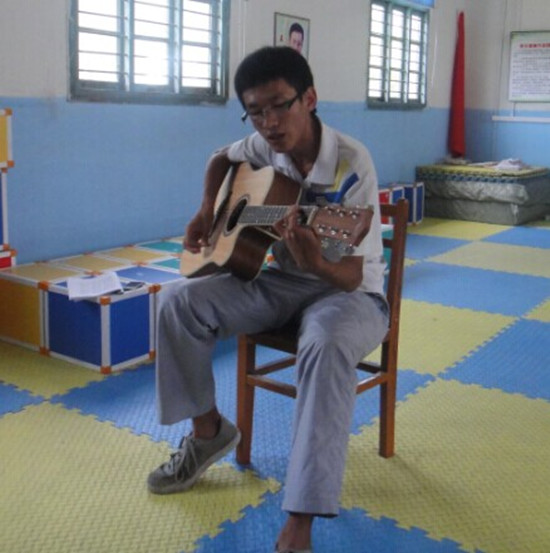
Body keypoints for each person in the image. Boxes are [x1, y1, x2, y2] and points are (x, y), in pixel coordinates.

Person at [148, 46, 389, 553]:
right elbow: (221, 157)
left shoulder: (352, 162)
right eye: (255, 112)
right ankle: (208, 432)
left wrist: (316, 261)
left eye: (280, 105)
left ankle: (300, 518)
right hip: (281, 282)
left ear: (310, 98)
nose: (269, 123)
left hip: (349, 293)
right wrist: (206, 211)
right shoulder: (263, 147)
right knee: (176, 301)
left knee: (323, 342)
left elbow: (351, 274)